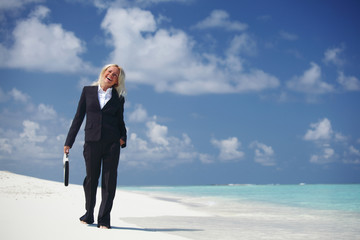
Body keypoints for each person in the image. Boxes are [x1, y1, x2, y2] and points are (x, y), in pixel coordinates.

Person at [64, 64, 127, 229]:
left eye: (115, 75)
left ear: (117, 81)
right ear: (104, 72)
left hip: (112, 144)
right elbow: (78, 117)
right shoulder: (88, 91)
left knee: (109, 181)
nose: (111, 75)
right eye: (110, 71)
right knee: (91, 180)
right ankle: (89, 213)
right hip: (91, 142)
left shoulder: (118, 98)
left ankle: (104, 219)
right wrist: (68, 142)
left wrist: (123, 138)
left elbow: (120, 121)